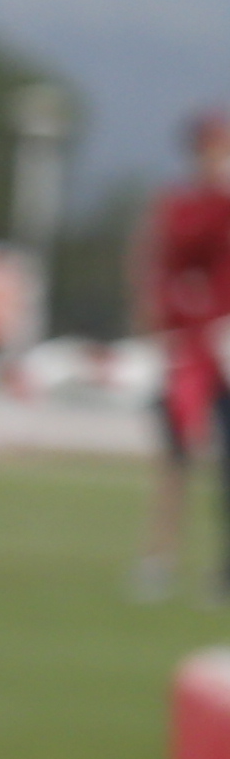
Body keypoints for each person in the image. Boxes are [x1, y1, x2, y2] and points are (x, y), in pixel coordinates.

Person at [145, 114, 230, 599]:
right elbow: (173, 253)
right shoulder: (184, 204)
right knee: (175, 455)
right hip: (191, 346)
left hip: (225, 344)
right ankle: (160, 556)